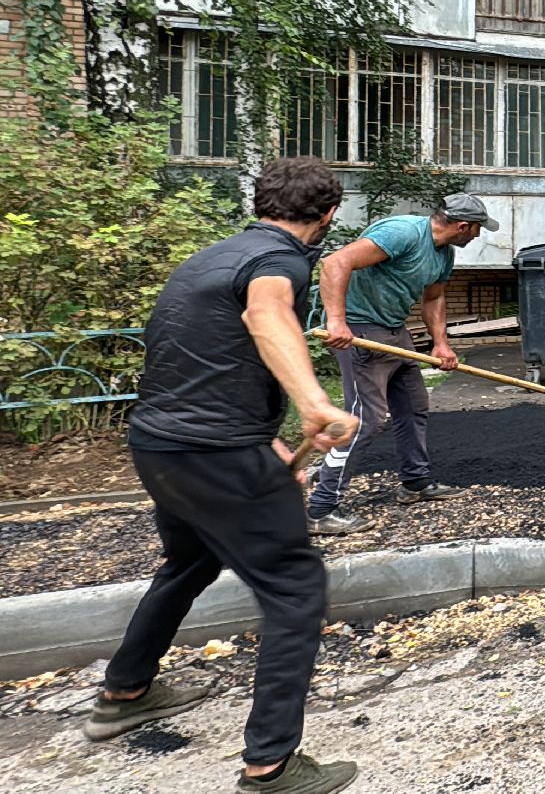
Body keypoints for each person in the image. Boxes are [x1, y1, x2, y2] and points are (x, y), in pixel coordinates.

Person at [86, 156, 361, 793]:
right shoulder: (281, 262)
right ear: (325, 217)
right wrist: (314, 404)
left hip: (160, 445)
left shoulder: (211, 258)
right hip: (217, 454)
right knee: (295, 591)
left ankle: (124, 693)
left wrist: (263, 435)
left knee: (189, 563)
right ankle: (270, 766)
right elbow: (265, 317)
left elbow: (203, 358)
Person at [305, 192, 497, 534]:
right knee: (366, 419)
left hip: (395, 330)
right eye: (478, 230)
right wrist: (337, 321)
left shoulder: (443, 252)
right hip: (361, 329)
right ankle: (321, 508)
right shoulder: (403, 233)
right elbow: (335, 263)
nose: (478, 236)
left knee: (412, 405)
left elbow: (434, 297)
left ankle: (415, 483)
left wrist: (441, 343)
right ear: (463, 226)